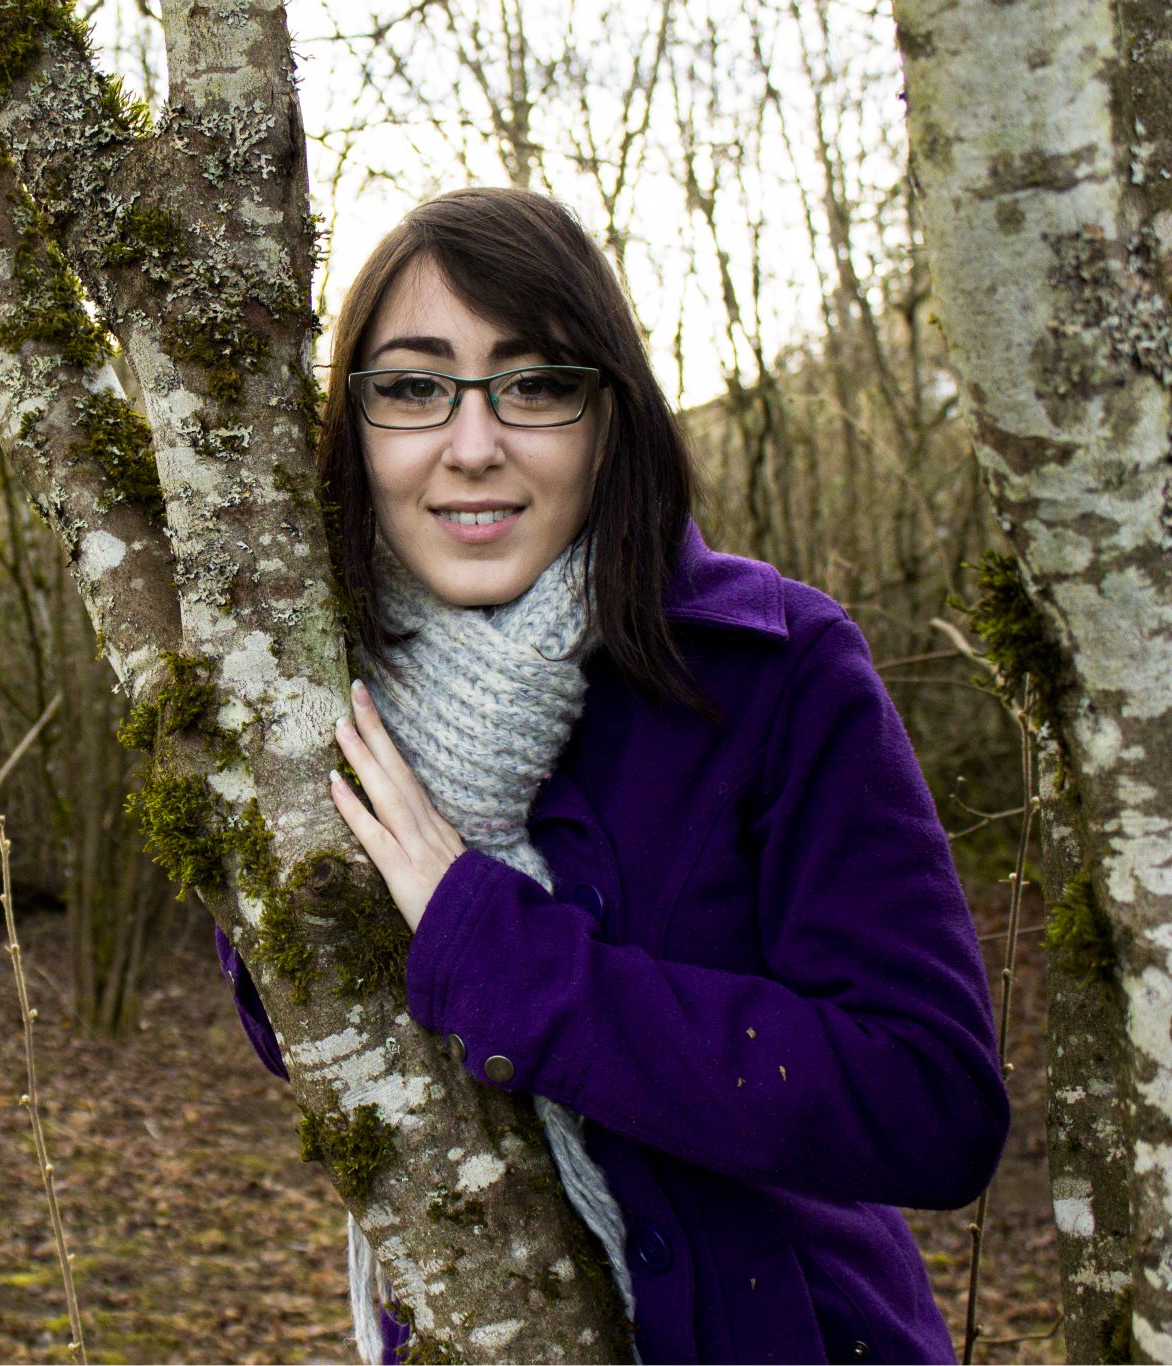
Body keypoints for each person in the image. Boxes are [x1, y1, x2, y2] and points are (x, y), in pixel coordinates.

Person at [213, 186, 1010, 1365]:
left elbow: (929, 1106)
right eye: (413, 388)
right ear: (351, 427)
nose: (471, 444)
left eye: (535, 384)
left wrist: (500, 952)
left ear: (608, 417)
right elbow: (312, 1036)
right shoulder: (311, 698)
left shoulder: (772, 667)